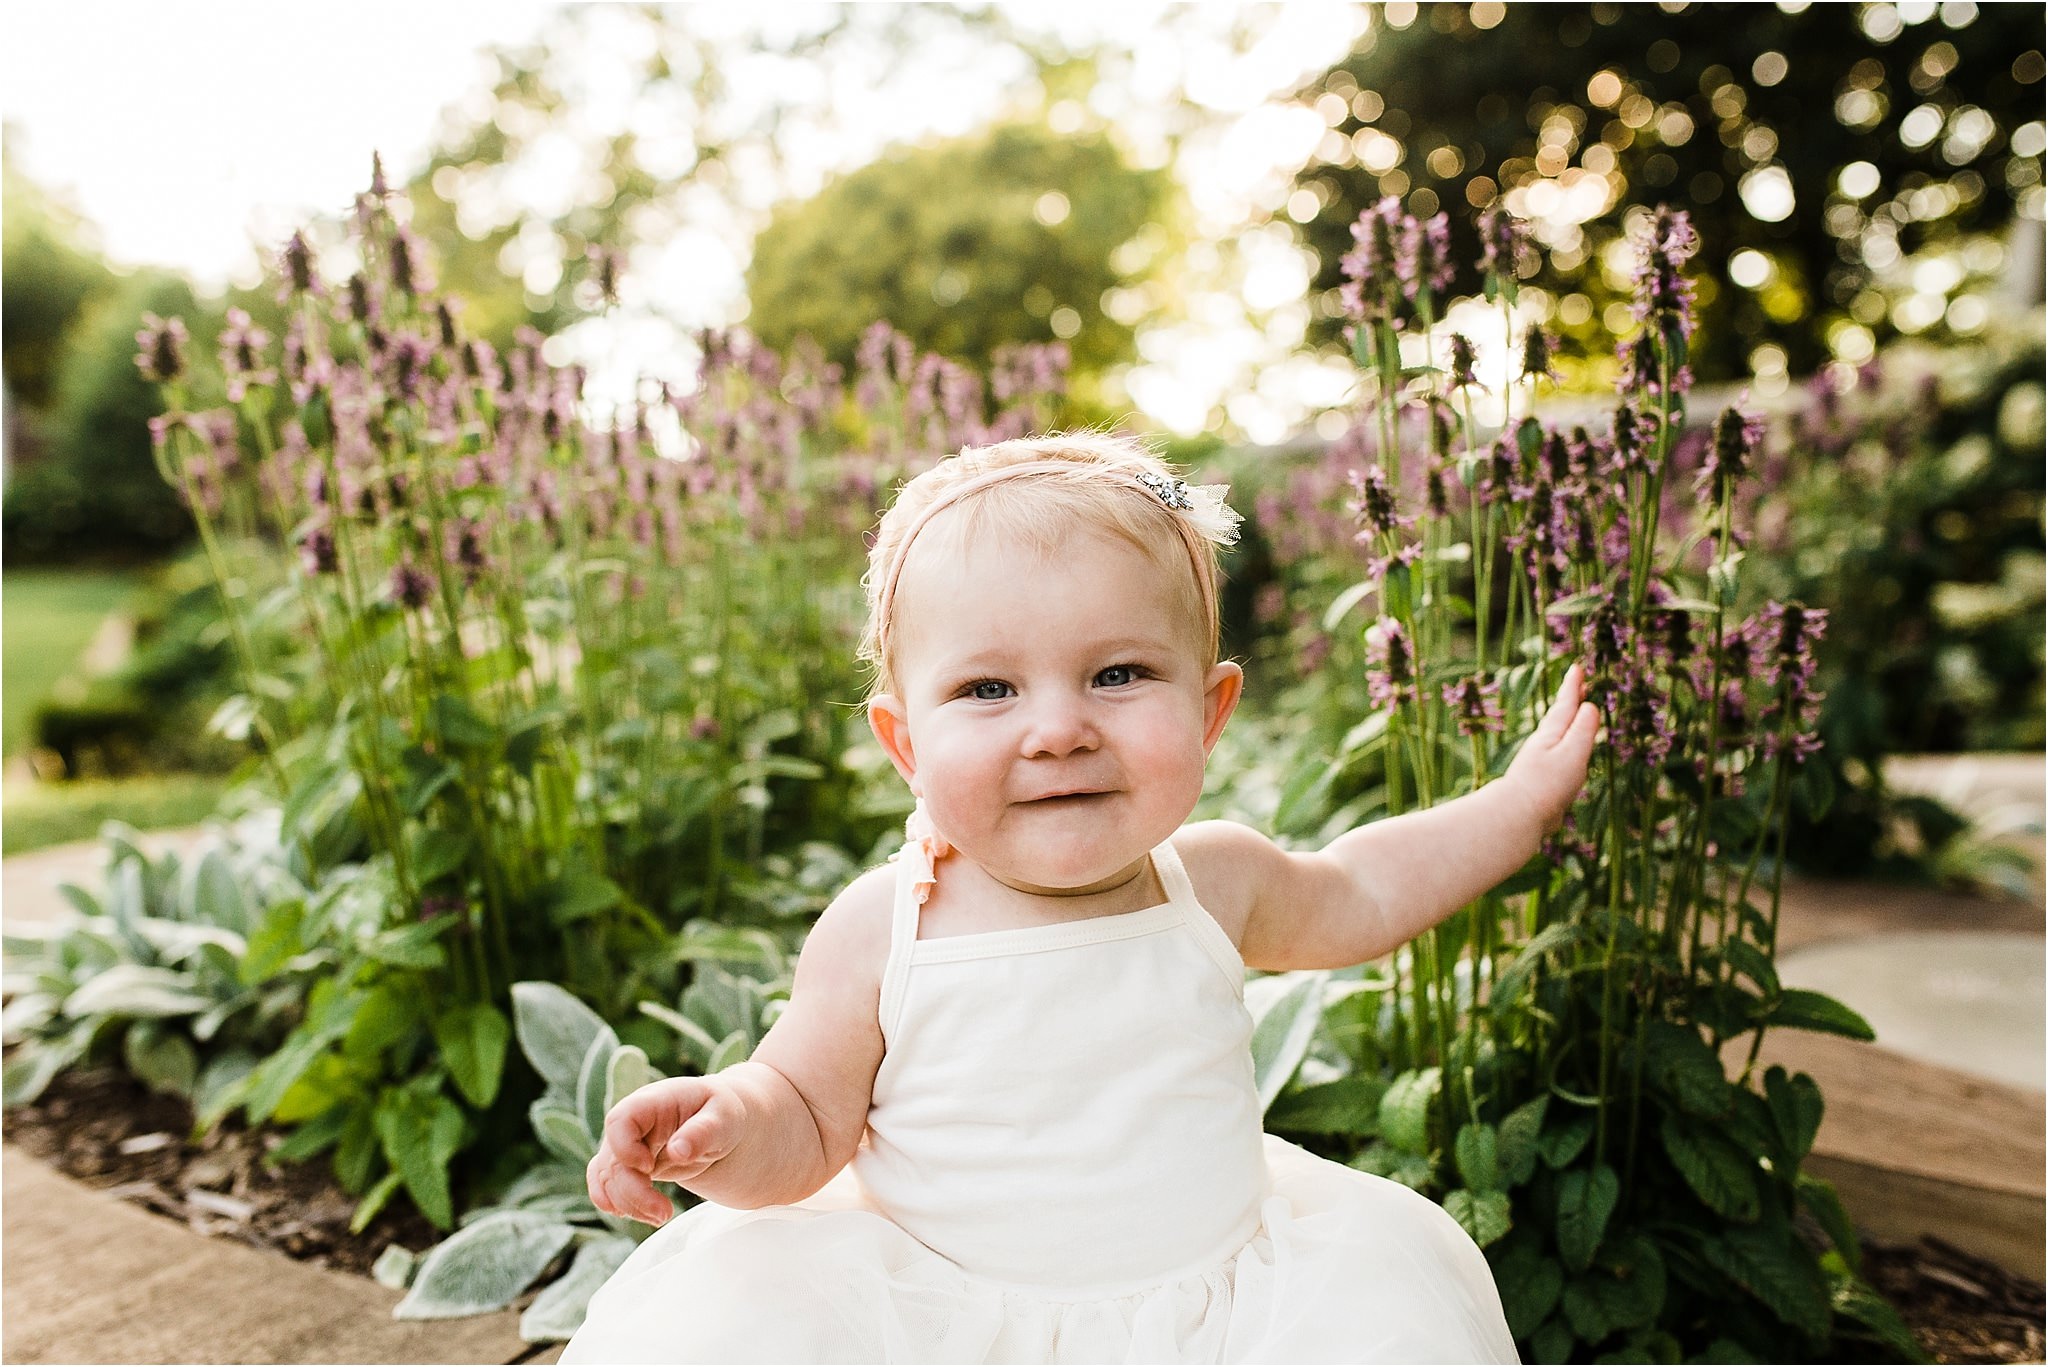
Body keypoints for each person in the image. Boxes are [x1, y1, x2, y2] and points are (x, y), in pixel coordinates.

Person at [564, 431, 1598, 1364]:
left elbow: (1363, 886)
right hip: (940, 1317)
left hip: (1229, 1314)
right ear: (904, 743)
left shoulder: (1215, 879)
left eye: (1115, 672)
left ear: (1208, 708)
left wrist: (1514, 805)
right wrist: (726, 1125)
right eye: (987, 688)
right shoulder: (889, 926)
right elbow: (801, 1109)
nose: (1056, 727)